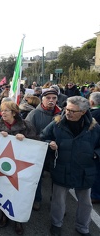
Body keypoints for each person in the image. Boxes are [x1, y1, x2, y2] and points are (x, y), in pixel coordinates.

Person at [41, 96, 100, 236]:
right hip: (62, 168)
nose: (68, 113)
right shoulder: (57, 123)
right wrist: (50, 143)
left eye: (73, 111)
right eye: (67, 109)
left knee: (86, 203)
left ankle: (82, 228)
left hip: (85, 170)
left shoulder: (94, 127)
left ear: (84, 112)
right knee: (58, 201)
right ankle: (56, 224)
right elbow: (43, 136)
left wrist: (96, 154)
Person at [0, 101, 37, 235]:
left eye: (6, 111)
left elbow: (36, 142)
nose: (2, 113)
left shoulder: (26, 125)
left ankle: (18, 219)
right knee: (4, 190)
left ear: (14, 113)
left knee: (19, 192)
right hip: (2, 165)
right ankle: (4, 215)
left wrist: (26, 138)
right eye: (2, 111)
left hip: (20, 166)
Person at [25, 89, 61, 211]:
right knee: (37, 177)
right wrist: (46, 143)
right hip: (38, 151)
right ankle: (37, 199)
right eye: (48, 98)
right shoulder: (34, 114)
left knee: (56, 179)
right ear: (42, 99)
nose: (51, 100)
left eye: (54, 98)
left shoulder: (62, 114)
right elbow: (29, 135)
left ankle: (56, 202)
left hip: (56, 152)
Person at [89, 92, 100, 204]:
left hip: (96, 148)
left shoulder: (94, 114)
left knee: (96, 172)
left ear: (91, 102)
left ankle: (96, 195)